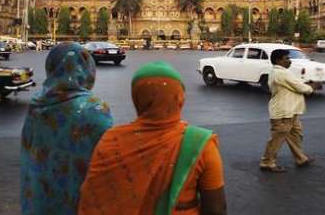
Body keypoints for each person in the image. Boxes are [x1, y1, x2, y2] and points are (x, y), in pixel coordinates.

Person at [79, 61, 227, 215]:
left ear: (137, 98)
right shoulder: (201, 144)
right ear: (180, 98)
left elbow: (94, 199)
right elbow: (216, 209)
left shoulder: (111, 140)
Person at [20, 42, 113, 215]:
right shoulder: (94, 109)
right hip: (78, 201)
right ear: (86, 68)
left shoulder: (37, 105)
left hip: (42, 198)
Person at [259, 49, 322, 173]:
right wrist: (312, 87)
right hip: (283, 112)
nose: (289, 61)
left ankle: (301, 158)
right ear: (278, 60)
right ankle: (267, 162)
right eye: (286, 58)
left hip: (290, 111)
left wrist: (307, 85)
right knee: (277, 138)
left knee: (295, 135)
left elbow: (294, 84)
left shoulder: (280, 72)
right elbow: (299, 87)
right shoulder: (281, 73)